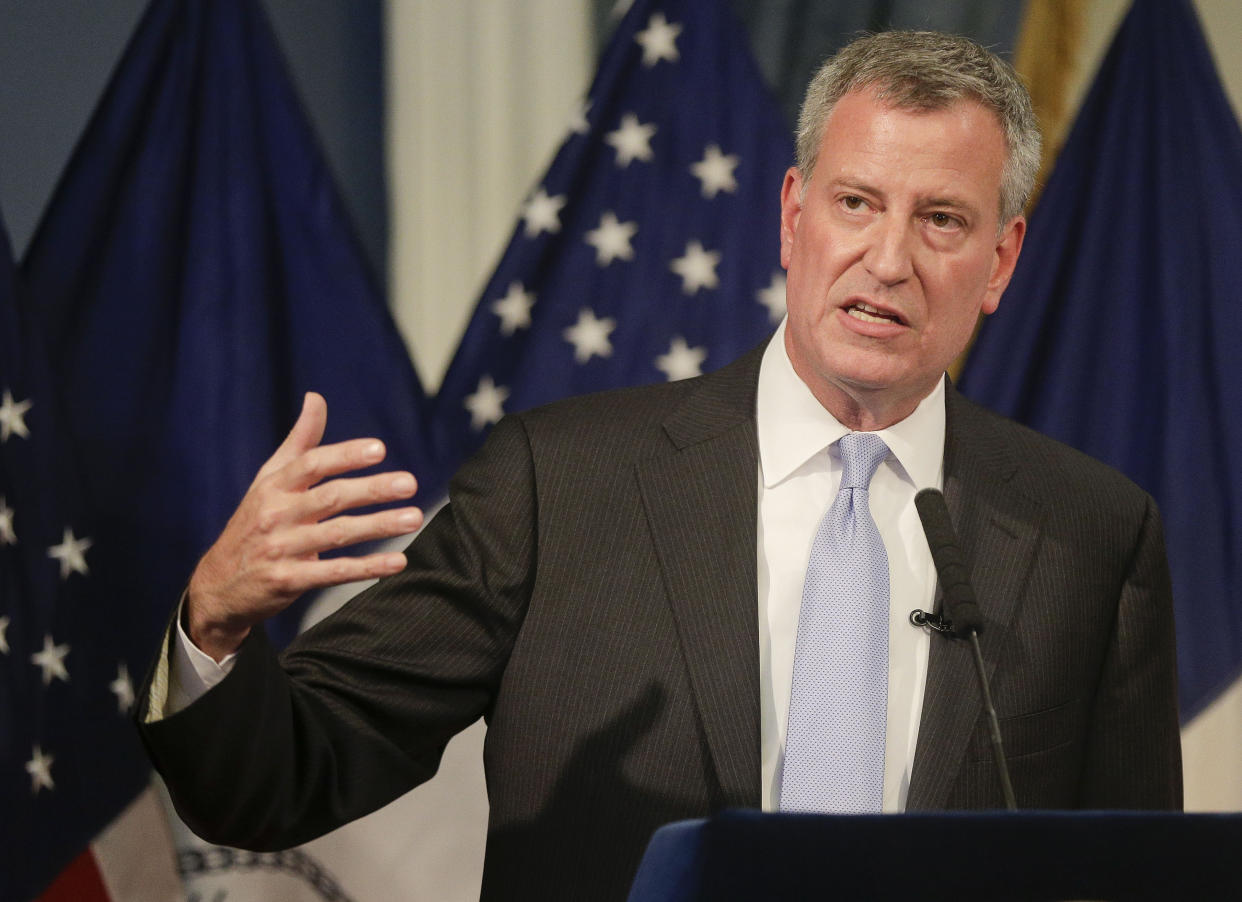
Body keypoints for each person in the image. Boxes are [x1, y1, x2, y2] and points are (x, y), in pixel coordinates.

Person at [137, 30, 1182, 901]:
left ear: (1000, 259)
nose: (888, 258)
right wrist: (216, 625)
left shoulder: (1091, 532)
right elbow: (279, 776)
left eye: (942, 219)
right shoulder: (560, 486)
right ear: (792, 214)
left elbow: (1141, 876)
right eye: (857, 203)